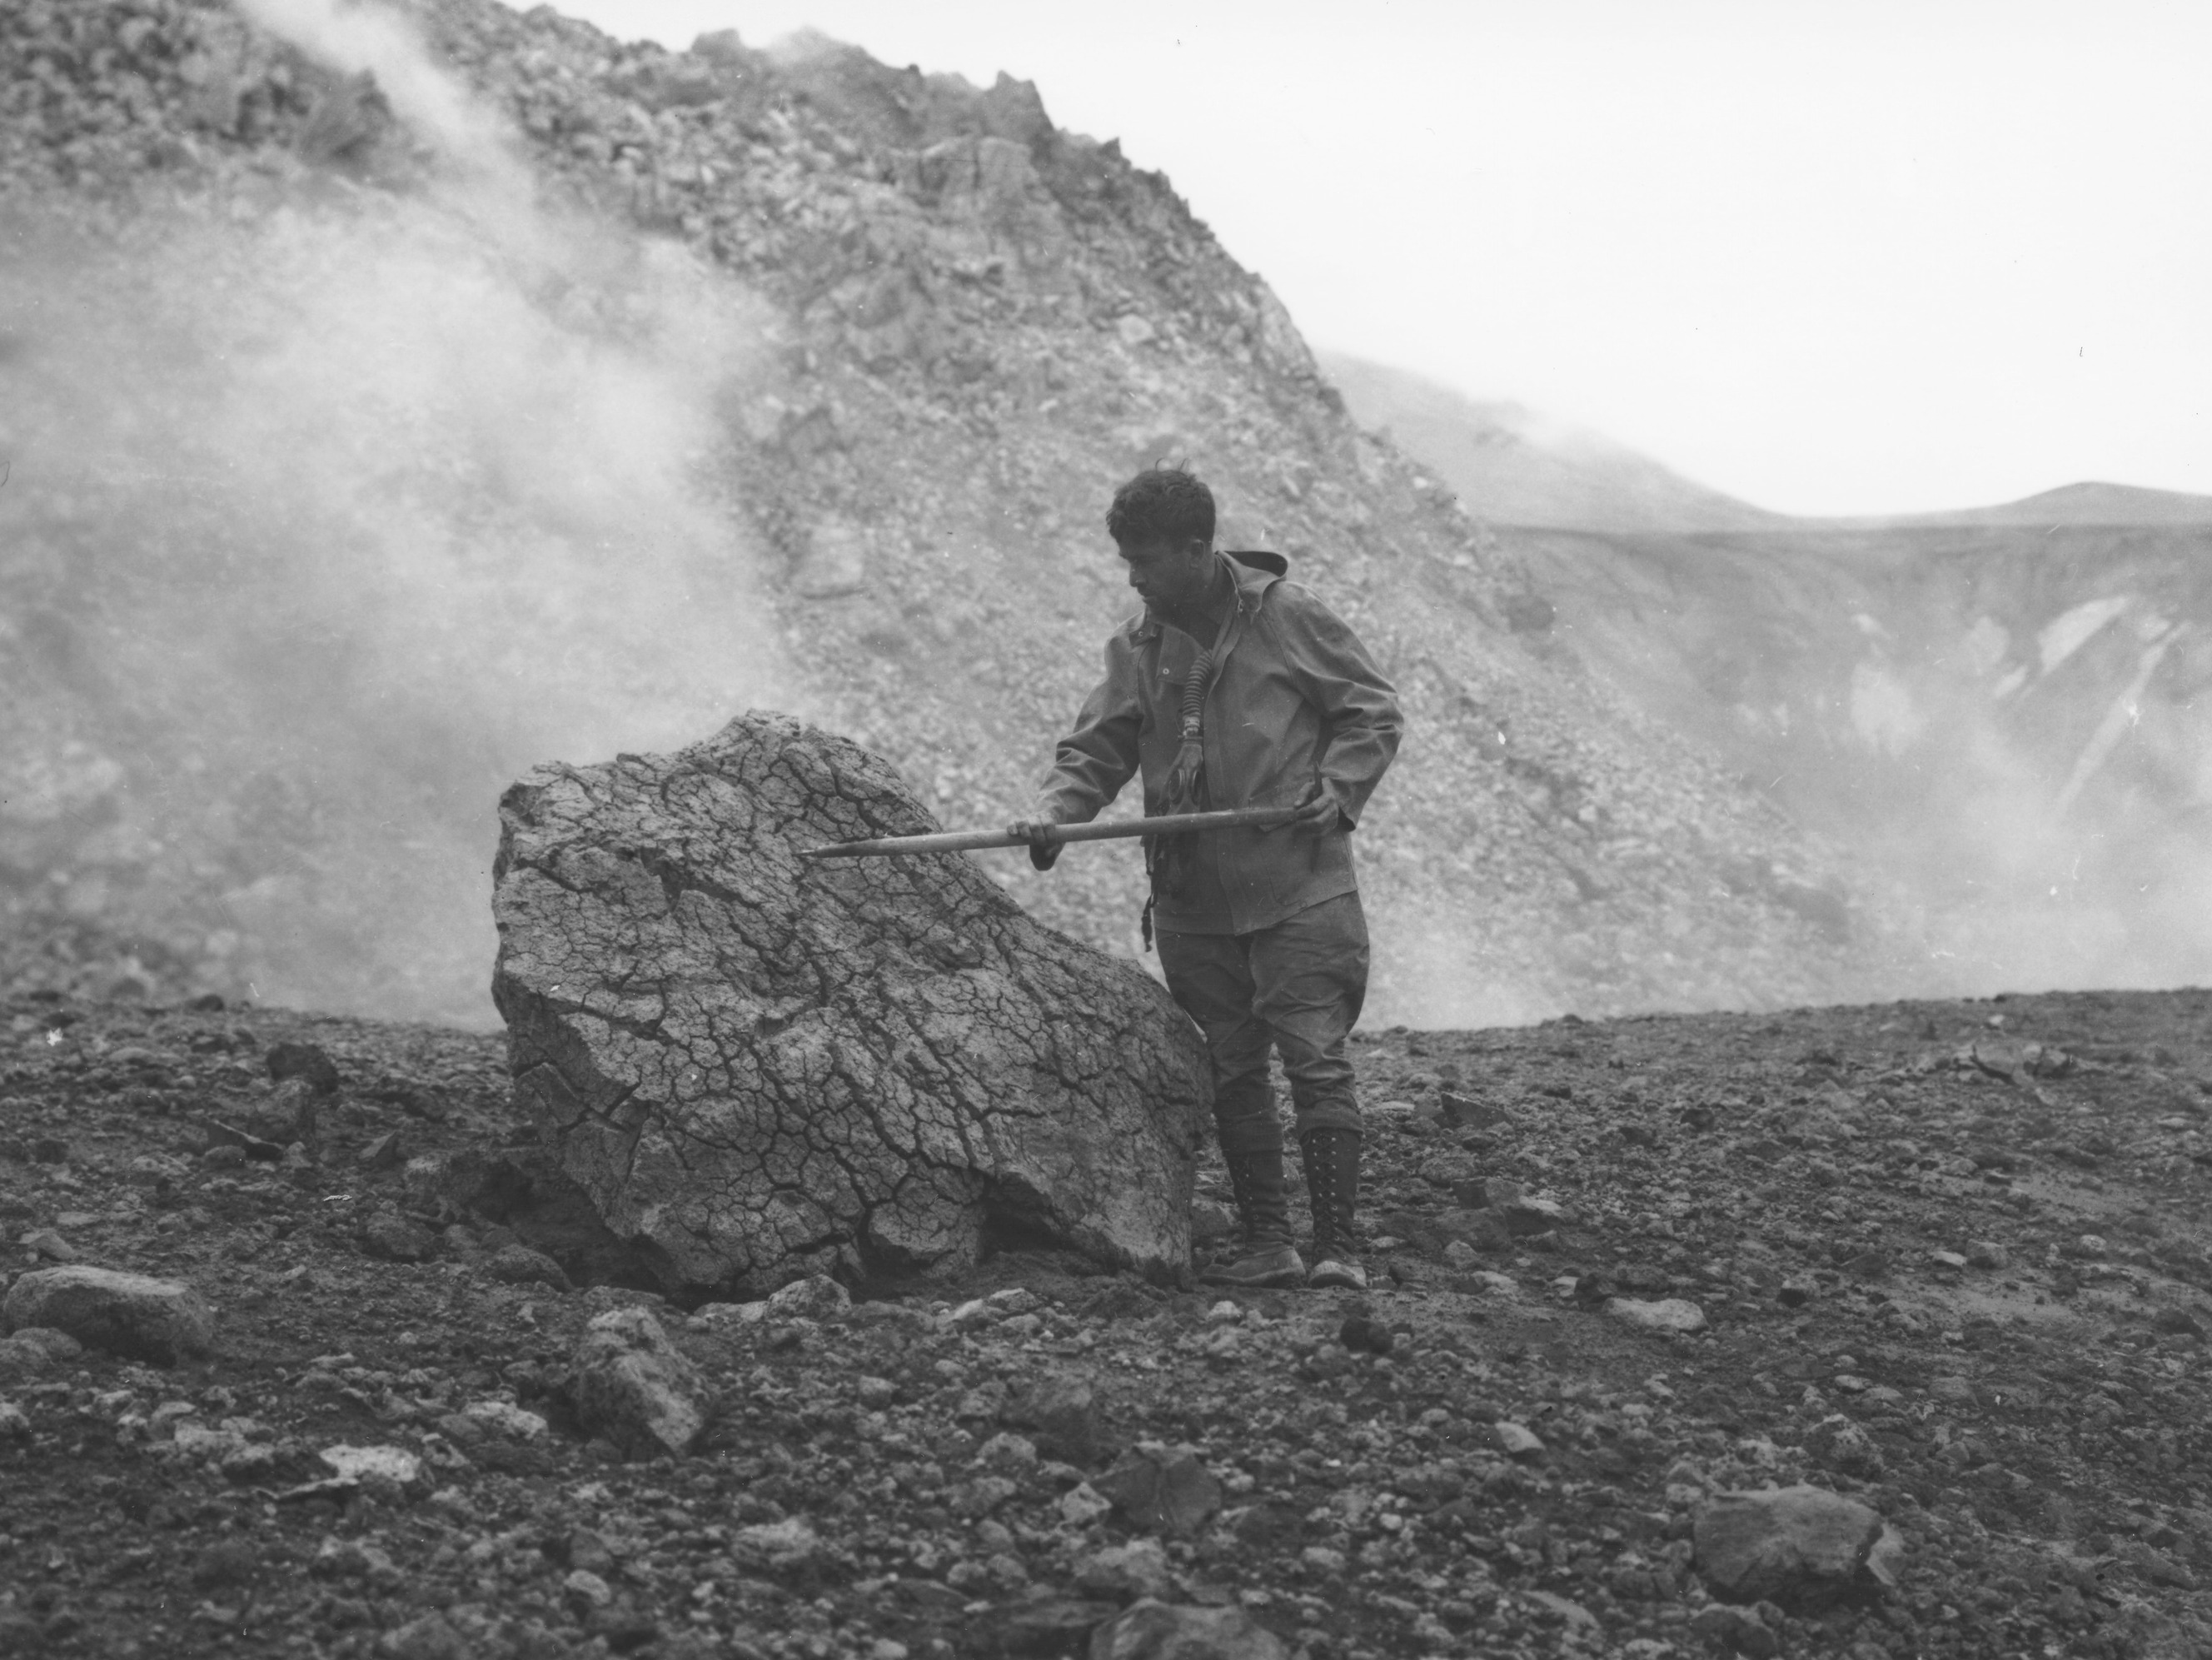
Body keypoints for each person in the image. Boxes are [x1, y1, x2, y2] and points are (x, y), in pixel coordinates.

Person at [1013, 466, 1402, 1290]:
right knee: (1231, 1064)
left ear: (1196, 549)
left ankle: (1337, 1249)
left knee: (1313, 1058)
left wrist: (1337, 793)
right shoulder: (1137, 645)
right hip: (1194, 901)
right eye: (1127, 560)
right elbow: (1098, 748)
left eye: (1147, 560)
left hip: (1299, 886)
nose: (1133, 577)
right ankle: (1270, 1242)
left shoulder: (1288, 618)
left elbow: (1370, 710)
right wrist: (1058, 811)